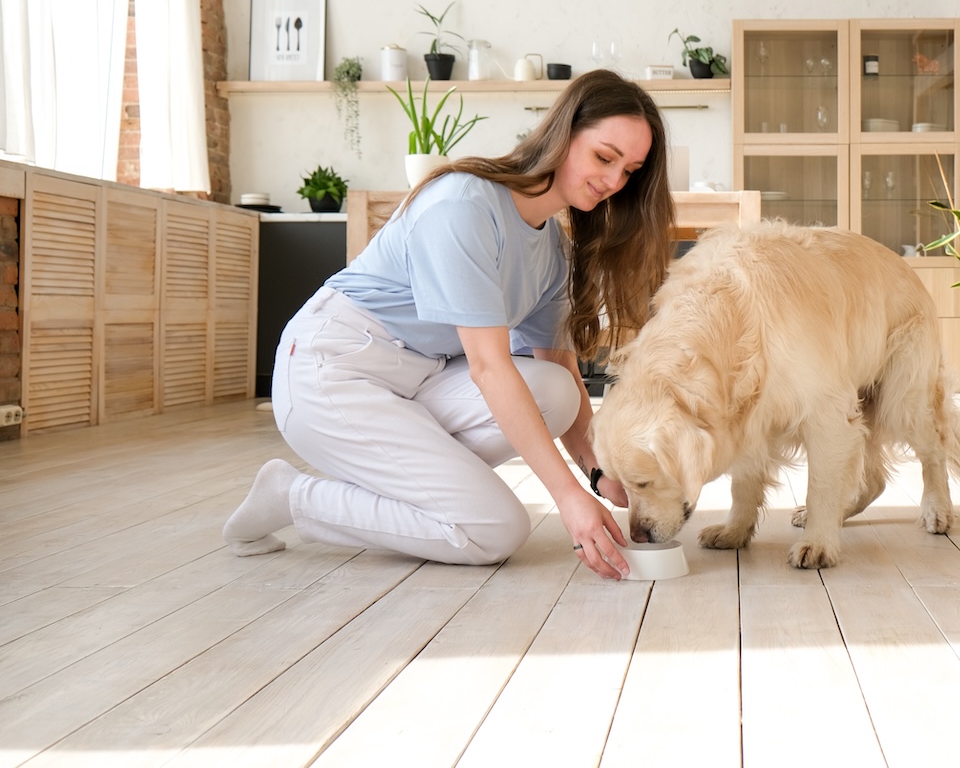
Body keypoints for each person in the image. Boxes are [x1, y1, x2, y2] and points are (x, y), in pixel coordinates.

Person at [223, 69, 675, 580]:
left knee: (555, 389)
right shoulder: (463, 205)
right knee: (495, 530)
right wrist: (568, 499)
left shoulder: (552, 250)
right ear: (563, 135)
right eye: (604, 157)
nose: (615, 182)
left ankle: (408, 482)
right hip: (331, 372)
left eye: (630, 171)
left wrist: (598, 473)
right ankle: (292, 496)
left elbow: (561, 371)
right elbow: (488, 367)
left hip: (417, 380)